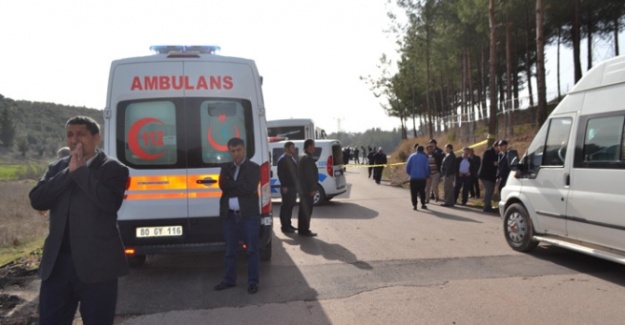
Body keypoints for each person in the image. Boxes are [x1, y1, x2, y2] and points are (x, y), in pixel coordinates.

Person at [29, 116, 129, 325]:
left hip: (98, 266)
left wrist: (82, 172)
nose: (75, 140)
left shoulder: (114, 169)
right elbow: (37, 199)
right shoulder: (56, 168)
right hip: (58, 266)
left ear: (96, 137)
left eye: (81, 134)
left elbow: (110, 203)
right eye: (70, 135)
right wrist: (68, 173)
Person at [215, 137, 261, 294]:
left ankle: (253, 282)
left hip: (248, 216)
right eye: (233, 151)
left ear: (244, 149)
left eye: (238, 150)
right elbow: (223, 185)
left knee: (252, 250)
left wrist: (232, 187)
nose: (236, 154)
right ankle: (229, 280)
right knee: (230, 250)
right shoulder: (226, 168)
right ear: (230, 152)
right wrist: (238, 186)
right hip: (229, 216)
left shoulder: (254, 168)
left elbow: (249, 188)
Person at [297, 138, 318, 237]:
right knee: (307, 210)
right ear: (309, 146)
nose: (314, 147)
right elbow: (310, 176)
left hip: (302, 188)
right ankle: (304, 230)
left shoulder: (302, 155)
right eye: (313, 145)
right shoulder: (307, 158)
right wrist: (312, 189)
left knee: (303, 210)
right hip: (307, 190)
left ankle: (302, 229)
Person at [277, 141, 298, 233]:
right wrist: (284, 186)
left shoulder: (291, 158)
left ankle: (289, 224)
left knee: (291, 206)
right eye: (292, 147)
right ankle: (284, 227)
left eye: (294, 147)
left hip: (293, 186)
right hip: (287, 187)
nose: (294, 149)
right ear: (287, 149)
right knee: (285, 206)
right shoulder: (283, 159)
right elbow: (280, 174)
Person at [406, 145, 430, 210]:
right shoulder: (425, 157)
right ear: (423, 150)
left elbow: (408, 167)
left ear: (416, 149)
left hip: (413, 178)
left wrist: (410, 174)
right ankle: (423, 204)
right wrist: (427, 175)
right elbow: (426, 167)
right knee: (422, 191)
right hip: (422, 178)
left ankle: (414, 205)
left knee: (413, 192)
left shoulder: (411, 156)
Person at [478, 141, 499, 212]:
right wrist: (494, 163)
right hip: (485, 175)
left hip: (492, 176)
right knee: (489, 190)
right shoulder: (488, 152)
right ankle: (486, 207)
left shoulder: (498, 153)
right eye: (498, 147)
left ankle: (488, 205)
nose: (499, 149)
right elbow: (485, 163)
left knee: (490, 191)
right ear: (495, 146)